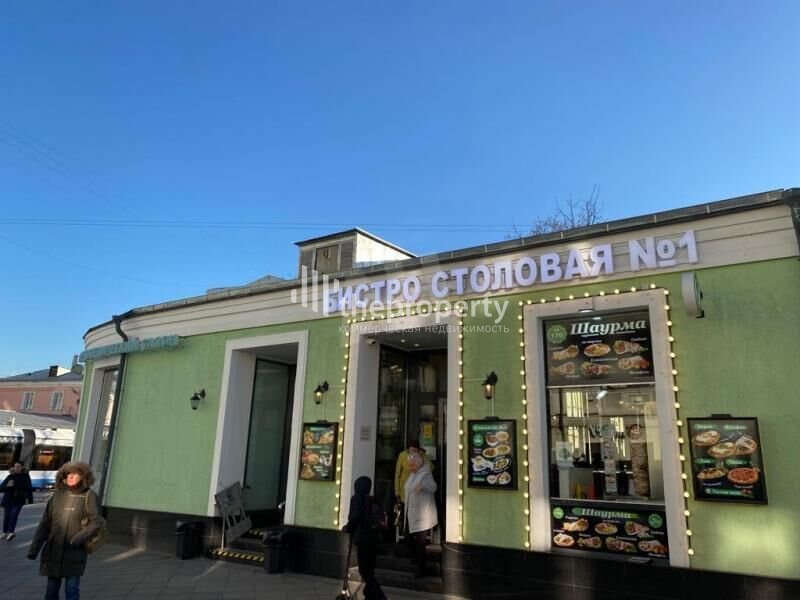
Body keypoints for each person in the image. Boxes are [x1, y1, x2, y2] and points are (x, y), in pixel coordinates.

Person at [27, 461, 101, 600]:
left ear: (84, 477)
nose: (71, 476)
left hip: (75, 552)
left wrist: (78, 539)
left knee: (71, 591)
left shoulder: (89, 495)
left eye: (75, 474)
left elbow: (96, 521)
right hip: (53, 551)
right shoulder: (57, 496)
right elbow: (44, 524)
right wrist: (34, 549)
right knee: (51, 592)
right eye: (68, 474)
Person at [343, 476, 387, 600]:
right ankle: (369, 595)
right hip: (374, 538)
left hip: (363, 538)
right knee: (369, 569)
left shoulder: (357, 498)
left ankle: (379, 596)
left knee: (364, 570)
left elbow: (355, 517)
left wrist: (348, 528)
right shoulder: (373, 500)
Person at [403, 452, 437, 578]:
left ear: (418, 464)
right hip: (411, 512)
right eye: (409, 465)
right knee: (407, 536)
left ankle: (421, 569)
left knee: (420, 543)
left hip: (423, 514)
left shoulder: (426, 474)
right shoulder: (413, 474)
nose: (410, 467)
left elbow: (433, 487)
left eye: (412, 465)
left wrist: (423, 486)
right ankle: (416, 558)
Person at [393, 440, 432, 513]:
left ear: (418, 450)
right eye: (411, 450)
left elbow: (430, 468)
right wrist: (397, 491)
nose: (413, 452)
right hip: (405, 490)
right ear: (408, 450)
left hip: (418, 491)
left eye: (415, 450)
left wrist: (422, 456)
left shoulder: (422, 455)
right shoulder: (402, 455)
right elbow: (397, 474)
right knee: (405, 512)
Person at [1, 461, 34, 540]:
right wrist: (7, 485)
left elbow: (29, 488)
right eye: (15, 466)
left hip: (19, 499)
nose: (16, 468)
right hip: (8, 499)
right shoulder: (10, 476)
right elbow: (1, 487)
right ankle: (4, 532)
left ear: (22, 467)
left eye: (18, 466)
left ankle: (11, 532)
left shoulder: (25, 476)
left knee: (13, 515)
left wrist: (30, 500)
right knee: (7, 516)